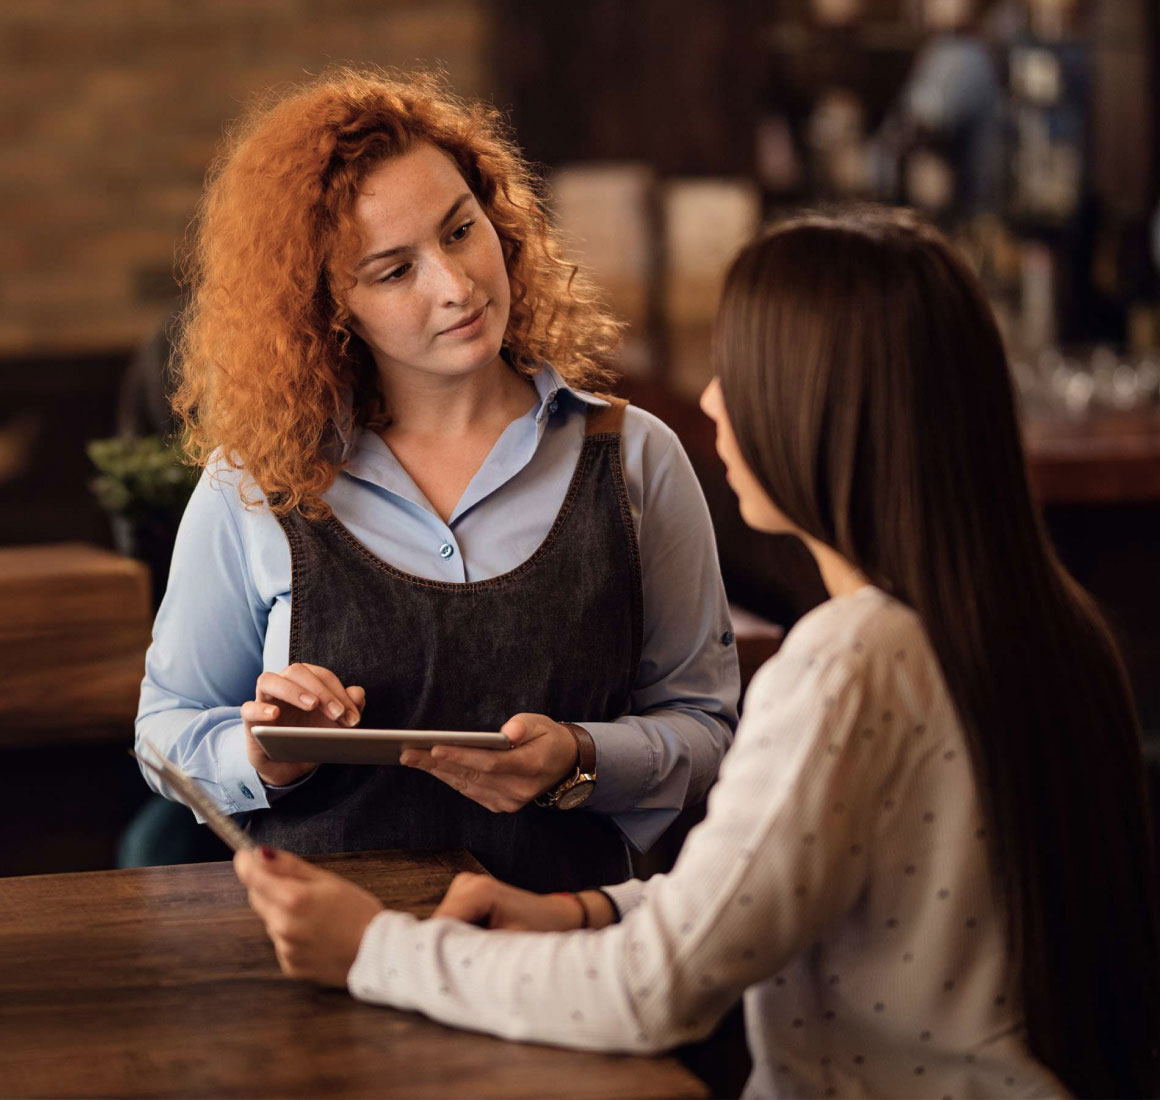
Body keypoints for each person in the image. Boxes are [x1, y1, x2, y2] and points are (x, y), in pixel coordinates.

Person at [236, 208, 1160, 1099]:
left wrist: (373, 950)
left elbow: (655, 992)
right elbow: (770, 889)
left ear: (825, 415)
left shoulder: (852, 659)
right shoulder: (1052, 626)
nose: (714, 399)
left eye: (741, 371)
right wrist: (582, 913)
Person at [135, 67, 739, 891]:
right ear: (329, 306)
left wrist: (583, 758)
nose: (455, 287)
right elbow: (164, 735)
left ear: (499, 217)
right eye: (393, 271)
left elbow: (709, 731)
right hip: (329, 962)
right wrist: (267, 755)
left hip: (570, 962)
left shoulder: (636, 460)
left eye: (460, 231)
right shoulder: (257, 486)